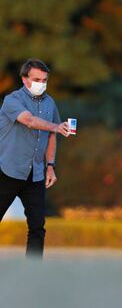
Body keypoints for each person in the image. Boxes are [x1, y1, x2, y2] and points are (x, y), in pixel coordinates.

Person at [0, 58, 70, 257]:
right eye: (37, 79)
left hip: (35, 174)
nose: (42, 84)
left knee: (38, 227)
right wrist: (55, 126)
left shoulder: (50, 103)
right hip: (7, 170)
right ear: (25, 79)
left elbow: (52, 136)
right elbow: (29, 121)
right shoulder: (12, 100)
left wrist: (50, 166)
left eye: (45, 80)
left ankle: (33, 273)